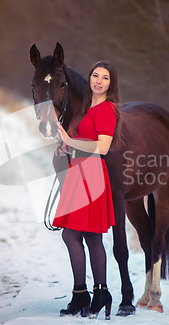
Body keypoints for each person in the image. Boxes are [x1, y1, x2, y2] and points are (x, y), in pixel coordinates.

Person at [53, 60, 121, 319]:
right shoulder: (85, 106)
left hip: (91, 174)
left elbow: (102, 148)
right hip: (78, 172)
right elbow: (81, 140)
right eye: (95, 75)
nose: (98, 81)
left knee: (73, 236)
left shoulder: (107, 109)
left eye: (105, 78)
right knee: (89, 237)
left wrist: (71, 141)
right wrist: (66, 146)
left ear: (111, 83)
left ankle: (84, 294)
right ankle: (96, 293)